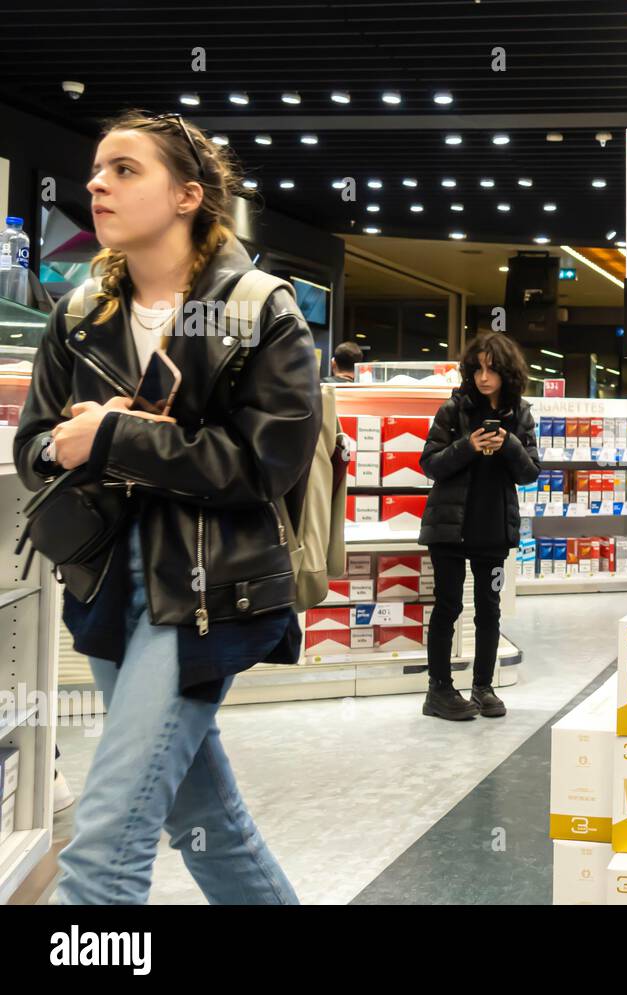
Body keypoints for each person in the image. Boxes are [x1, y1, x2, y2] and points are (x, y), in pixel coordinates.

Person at [14, 111, 318, 904]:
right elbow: (35, 445)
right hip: (106, 584)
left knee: (104, 849)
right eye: (95, 171)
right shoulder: (81, 313)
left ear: (187, 196)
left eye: (123, 170)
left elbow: (264, 466)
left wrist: (114, 437)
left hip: (208, 592)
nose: (96, 185)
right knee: (207, 820)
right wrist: (71, 444)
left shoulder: (258, 308)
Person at [418, 332, 539, 721]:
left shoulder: (520, 414)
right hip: (450, 530)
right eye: (477, 368)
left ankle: (483, 687)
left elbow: (530, 473)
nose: (484, 377)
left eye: (492, 369)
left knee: (489, 610)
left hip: (492, 530)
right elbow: (431, 464)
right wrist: (468, 446)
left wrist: (509, 445)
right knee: (448, 606)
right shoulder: (452, 411)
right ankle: (438, 690)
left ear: (507, 372)